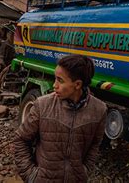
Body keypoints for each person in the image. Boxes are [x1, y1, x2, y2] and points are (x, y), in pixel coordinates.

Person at [14, 55, 107, 183]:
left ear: (77, 84)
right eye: (55, 79)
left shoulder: (99, 110)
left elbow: (95, 145)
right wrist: (31, 176)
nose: (54, 85)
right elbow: (21, 139)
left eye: (60, 80)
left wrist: (84, 171)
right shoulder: (42, 105)